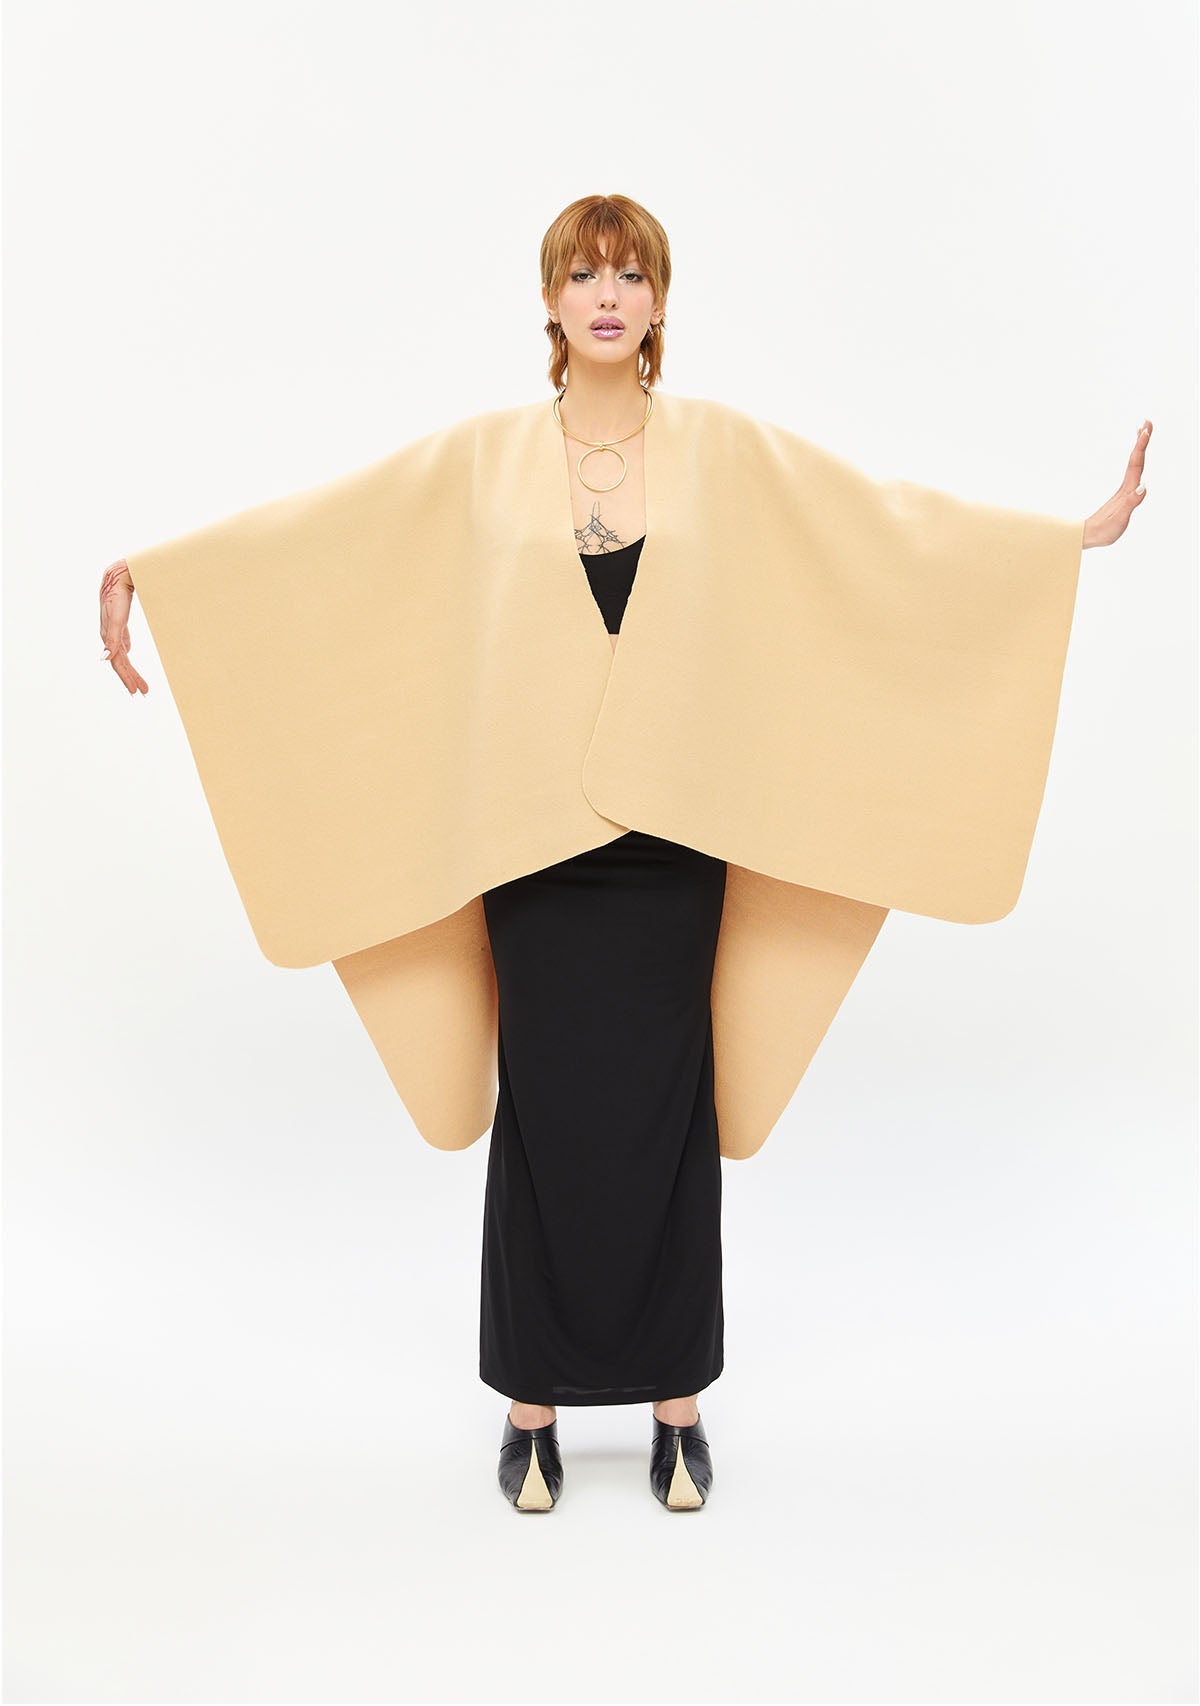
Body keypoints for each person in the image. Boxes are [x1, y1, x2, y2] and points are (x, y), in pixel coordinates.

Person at [98, 193, 1152, 1515]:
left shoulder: (722, 451)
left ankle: (677, 1404)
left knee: (672, 1103)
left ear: (659, 301)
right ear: (550, 302)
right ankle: (531, 1409)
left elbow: (882, 530)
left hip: (677, 842)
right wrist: (163, 574)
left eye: (631, 273)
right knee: (541, 1105)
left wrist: (1059, 541)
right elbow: (328, 542)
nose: (608, 294)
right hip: (530, 841)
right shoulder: (483, 459)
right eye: (584, 274)